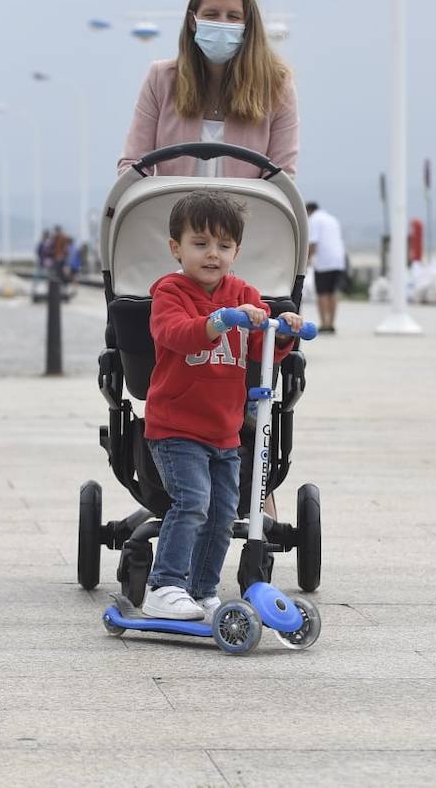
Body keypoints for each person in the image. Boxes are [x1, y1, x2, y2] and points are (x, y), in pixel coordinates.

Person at [142, 190, 304, 620]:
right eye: (200, 244)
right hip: (176, 427)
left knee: (221, 513)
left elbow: (259, 348)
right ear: (176, 248)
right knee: (192, 502)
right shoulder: (169, 292)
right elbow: (175, 333)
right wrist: (216, 321)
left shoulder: (243, 292)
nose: (212, 255)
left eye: (223, 246)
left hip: (224, 429)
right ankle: (164, 585)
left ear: (236, 250)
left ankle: (202, 589)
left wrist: (281, 331)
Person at [119, 0, 299, 179]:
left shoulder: (277, 87)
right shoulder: (161, 79)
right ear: (192, 21)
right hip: (169, 211)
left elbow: (281, 176)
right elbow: (132, 166)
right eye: (211, 15)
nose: (222, 23)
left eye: (233, 17)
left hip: (248, 212)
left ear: (247, 25)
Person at [305, 202, 347, 333]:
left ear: (308, 211)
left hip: (324, 262)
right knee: (332, 292)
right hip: (338, 260)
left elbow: (313, 243)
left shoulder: (314, 220)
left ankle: (324, 323)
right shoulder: (331, 219)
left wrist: (306, 260)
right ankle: (332, 323)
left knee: (322, 293)